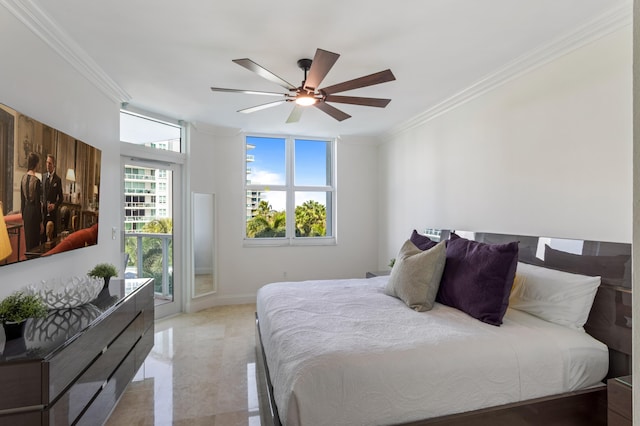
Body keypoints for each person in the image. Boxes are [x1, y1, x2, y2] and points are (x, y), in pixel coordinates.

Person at [21, 152, 43, 250]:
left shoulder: (23, 179)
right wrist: (41, 222)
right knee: (35, 244)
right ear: (35, 164)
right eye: (38, 163)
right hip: (34, 213)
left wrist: (23, 216)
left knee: (28, 242)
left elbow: (22, 200)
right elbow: (38, 203)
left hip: (26, 211)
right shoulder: (37, 181)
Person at [42, 154, 63, 241]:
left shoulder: (57, 180)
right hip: (44, 212)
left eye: (50, 163)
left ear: (54, 165)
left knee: (53, 238)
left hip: (53, 213)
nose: (47, 165)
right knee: (43, 237)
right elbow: (40, 193)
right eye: (47, 162)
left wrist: (55, 205)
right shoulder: (43, 177)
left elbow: (61, 198)